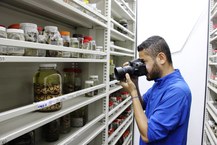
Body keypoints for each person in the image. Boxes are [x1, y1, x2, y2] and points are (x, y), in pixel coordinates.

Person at [120, 36, 192, 145]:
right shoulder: (160, 83)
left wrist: (133, 93)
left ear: (161, 58)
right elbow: (142, 104)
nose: (142, 67)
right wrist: (134, 84)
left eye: (144, 62)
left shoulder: (177, 91)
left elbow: (148, 134)